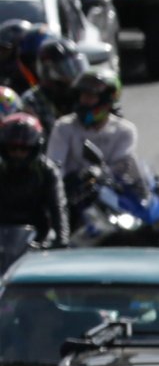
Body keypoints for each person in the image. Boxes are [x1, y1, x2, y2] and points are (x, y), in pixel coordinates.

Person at [46, 69, 149, 210]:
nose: (84, 101)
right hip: (74, 201)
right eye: (82, 95)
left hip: (112, 200)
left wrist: (99, 174)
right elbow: (55, 166)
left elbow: (122, 164)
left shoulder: (125, 131)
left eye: (90, 96)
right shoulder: (63, 127)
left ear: (107, 99)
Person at [0, 110, 70, 249]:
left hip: (37, 241)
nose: (17, 154)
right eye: (12, 148)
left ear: (34, 148)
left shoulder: (47, 171)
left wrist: (61, 241)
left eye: (23, 149)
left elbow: (58, 207)